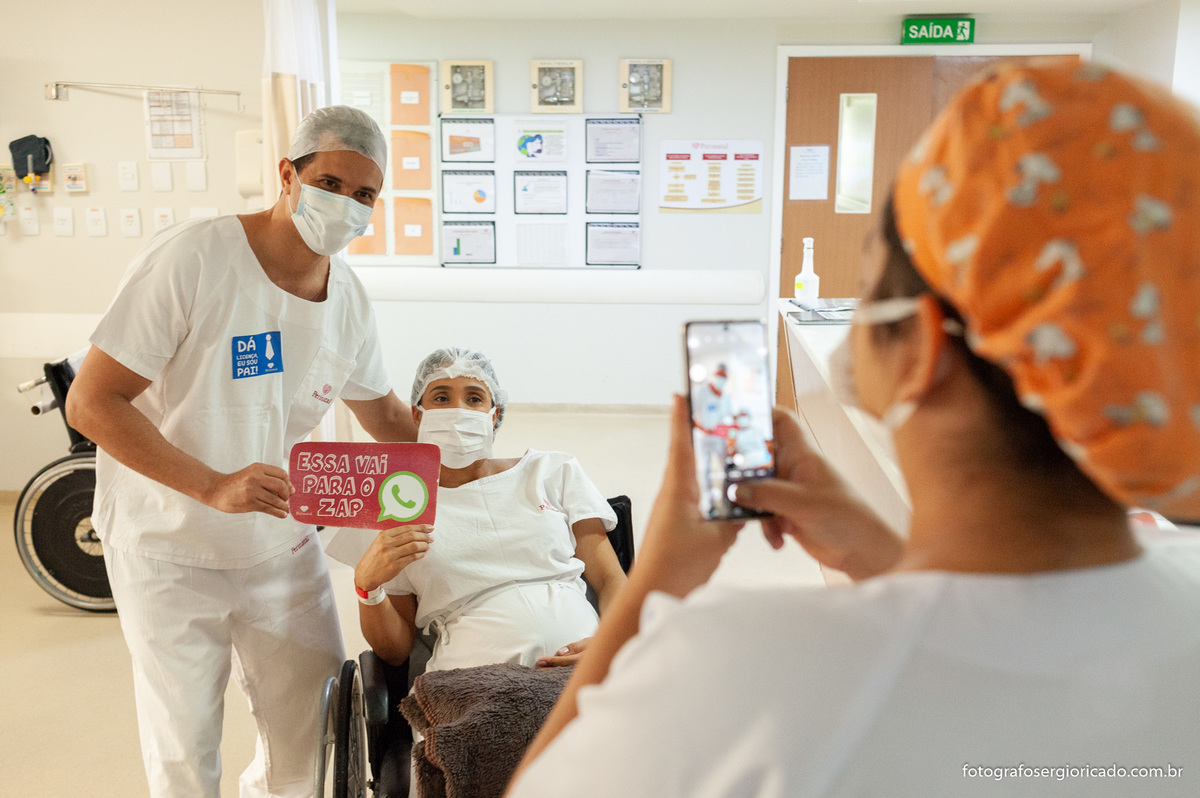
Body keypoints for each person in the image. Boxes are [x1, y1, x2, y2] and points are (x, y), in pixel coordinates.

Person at [507, 61, 1200, 797]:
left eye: (867, 281)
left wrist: (659, 577)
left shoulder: (740, 675)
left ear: (924, 347)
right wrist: (880, 551)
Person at [65, 106, 418, 798]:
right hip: (169, 548)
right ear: (287, 174)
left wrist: (491, 463)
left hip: (282, 550)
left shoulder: (347, 299)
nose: (347, 205)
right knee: (184, 748)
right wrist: (210, 486)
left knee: (314, 741)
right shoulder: (195, 260)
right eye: (331, 182)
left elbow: (388, 419)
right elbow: (90, 402)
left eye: (365, 195)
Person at [347, 348, 628, 675]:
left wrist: (613, 639)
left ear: (494, 414)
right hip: (473, 684)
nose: (458, 409)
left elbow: (610, 580)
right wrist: (367, 588)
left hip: (586, 668)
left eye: (474, 398)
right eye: (440, 398)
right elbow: (396, 653)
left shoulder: (552, 471)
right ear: (418, 415)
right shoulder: (399, 506)